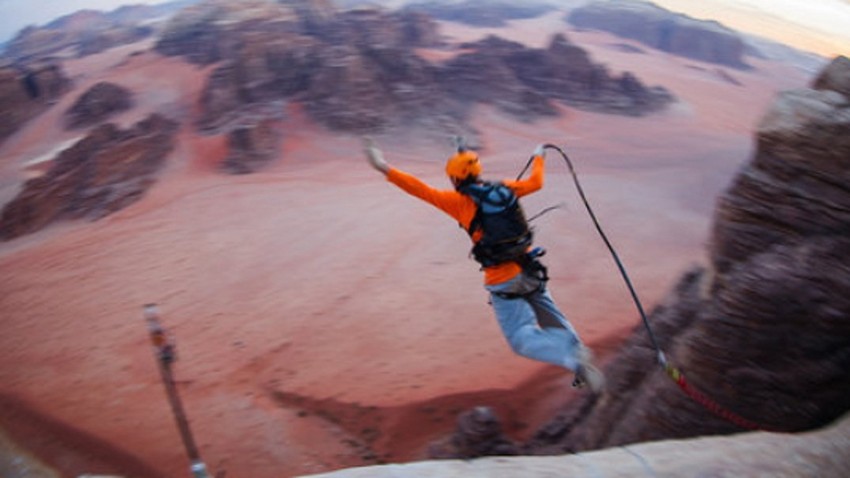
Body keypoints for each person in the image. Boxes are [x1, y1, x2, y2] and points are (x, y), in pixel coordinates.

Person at [363, 138, 604, 392]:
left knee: (520, 337)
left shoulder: (458, 203)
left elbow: (419, 188)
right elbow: (536, 182)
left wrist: (382, 167)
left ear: (455, 179)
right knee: (551, 316)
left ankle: (571, 355)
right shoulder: (506, 189)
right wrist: (539, 156)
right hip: (530, 268)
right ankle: (579, 360)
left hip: (503, 280)